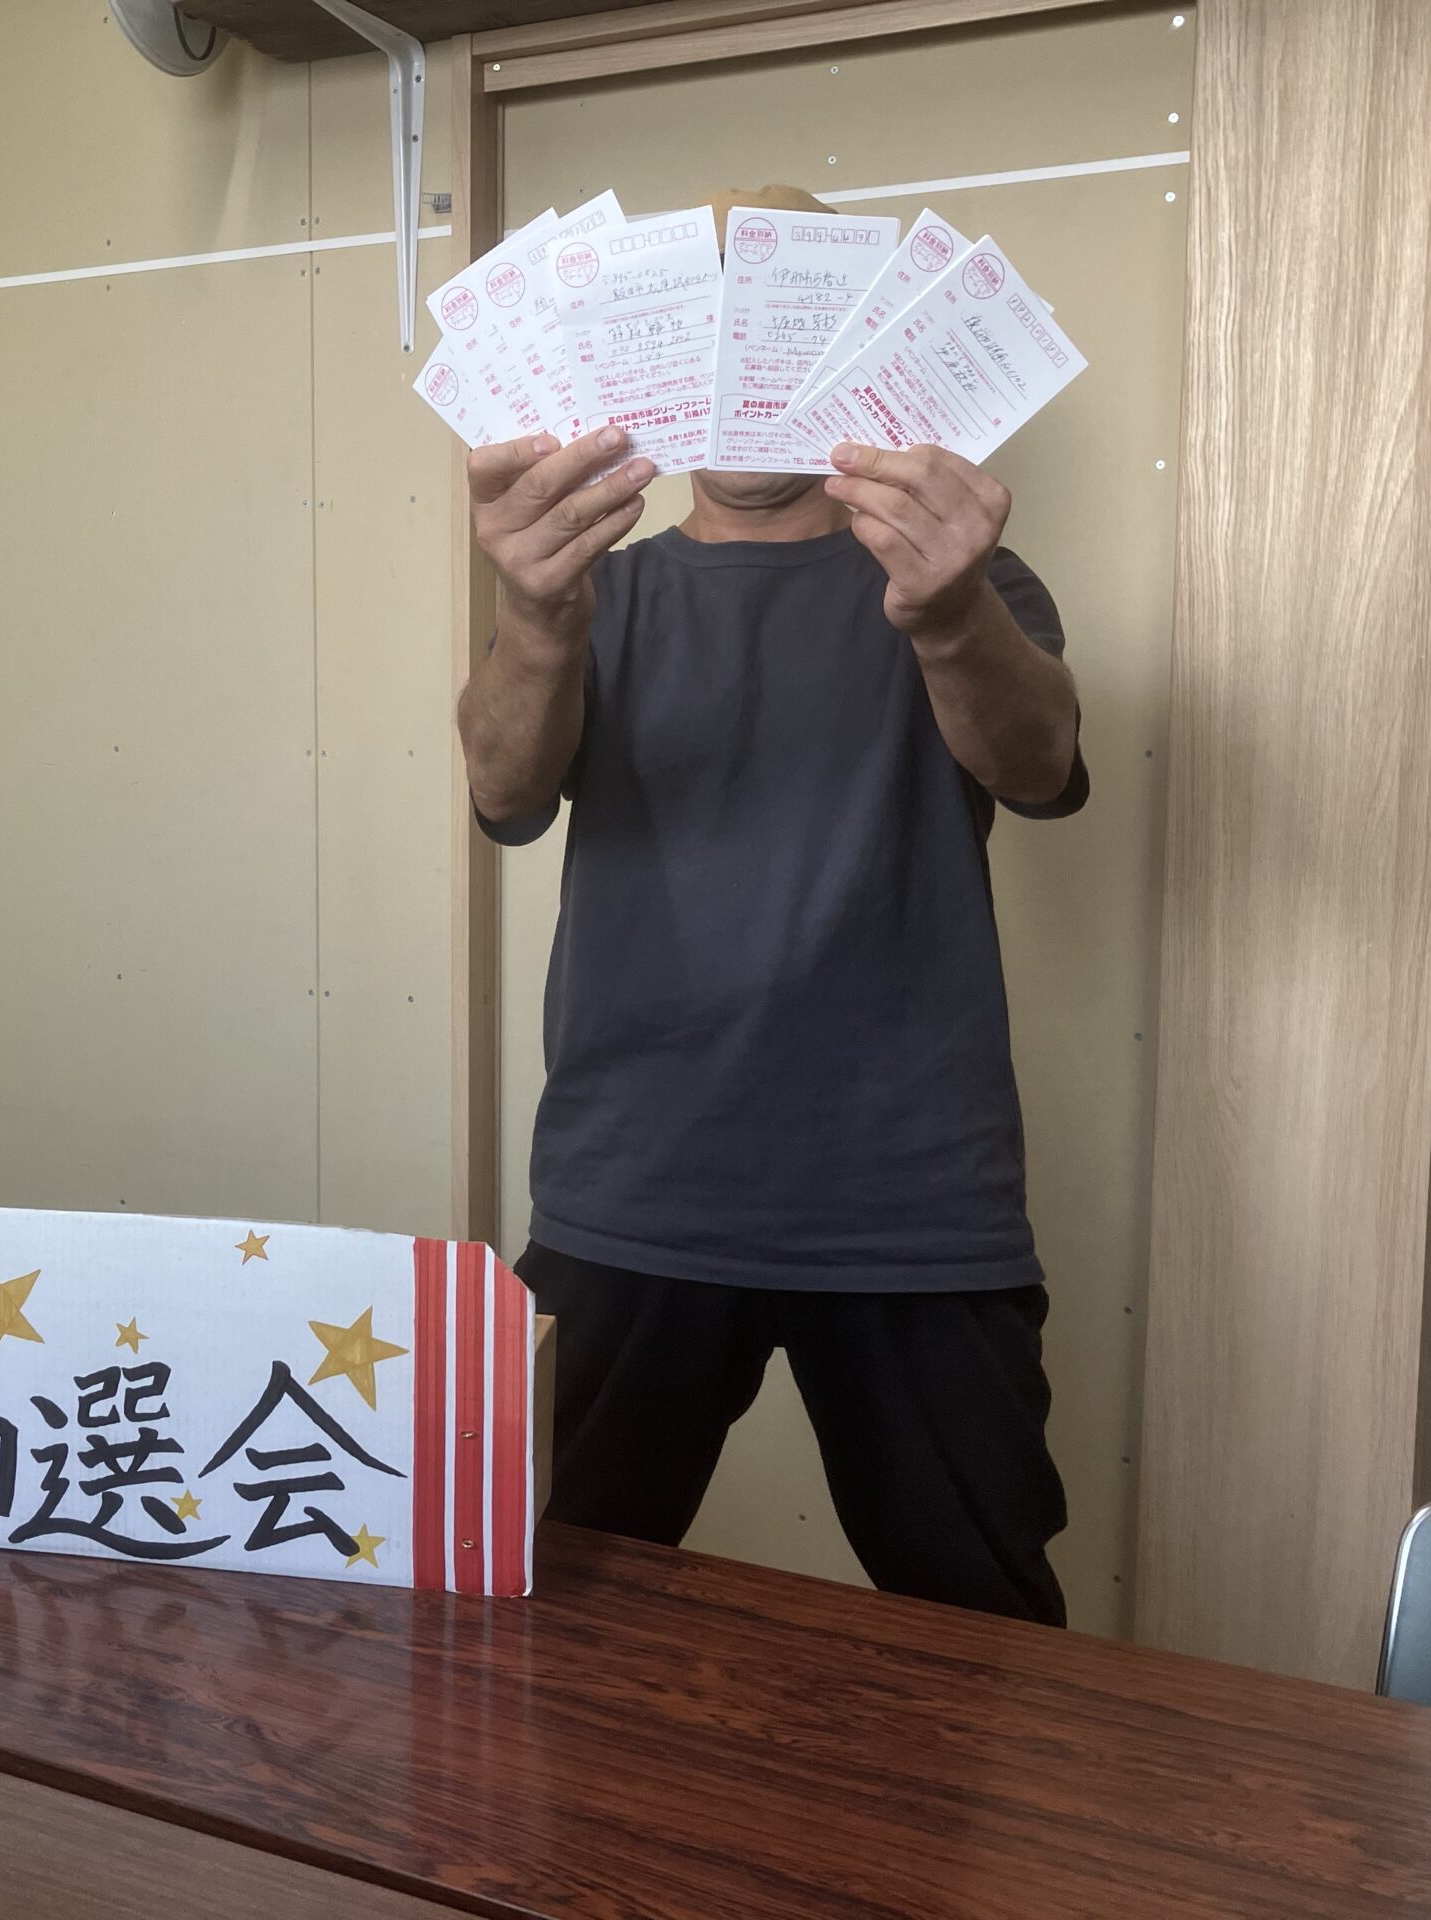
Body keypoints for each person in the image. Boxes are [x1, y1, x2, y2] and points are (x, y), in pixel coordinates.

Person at [456, 191, 1084, 1625]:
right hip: (633, 1193)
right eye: (712, 312)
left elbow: (1040, 765)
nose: (745, 348)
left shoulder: (968, 578)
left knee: (986, 1653)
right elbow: (502, 789)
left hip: (917, 1205)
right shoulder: (599, 593)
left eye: (785, 311)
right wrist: (537, 618)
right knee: (533, 1623)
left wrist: (948, 614)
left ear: (861, 340)